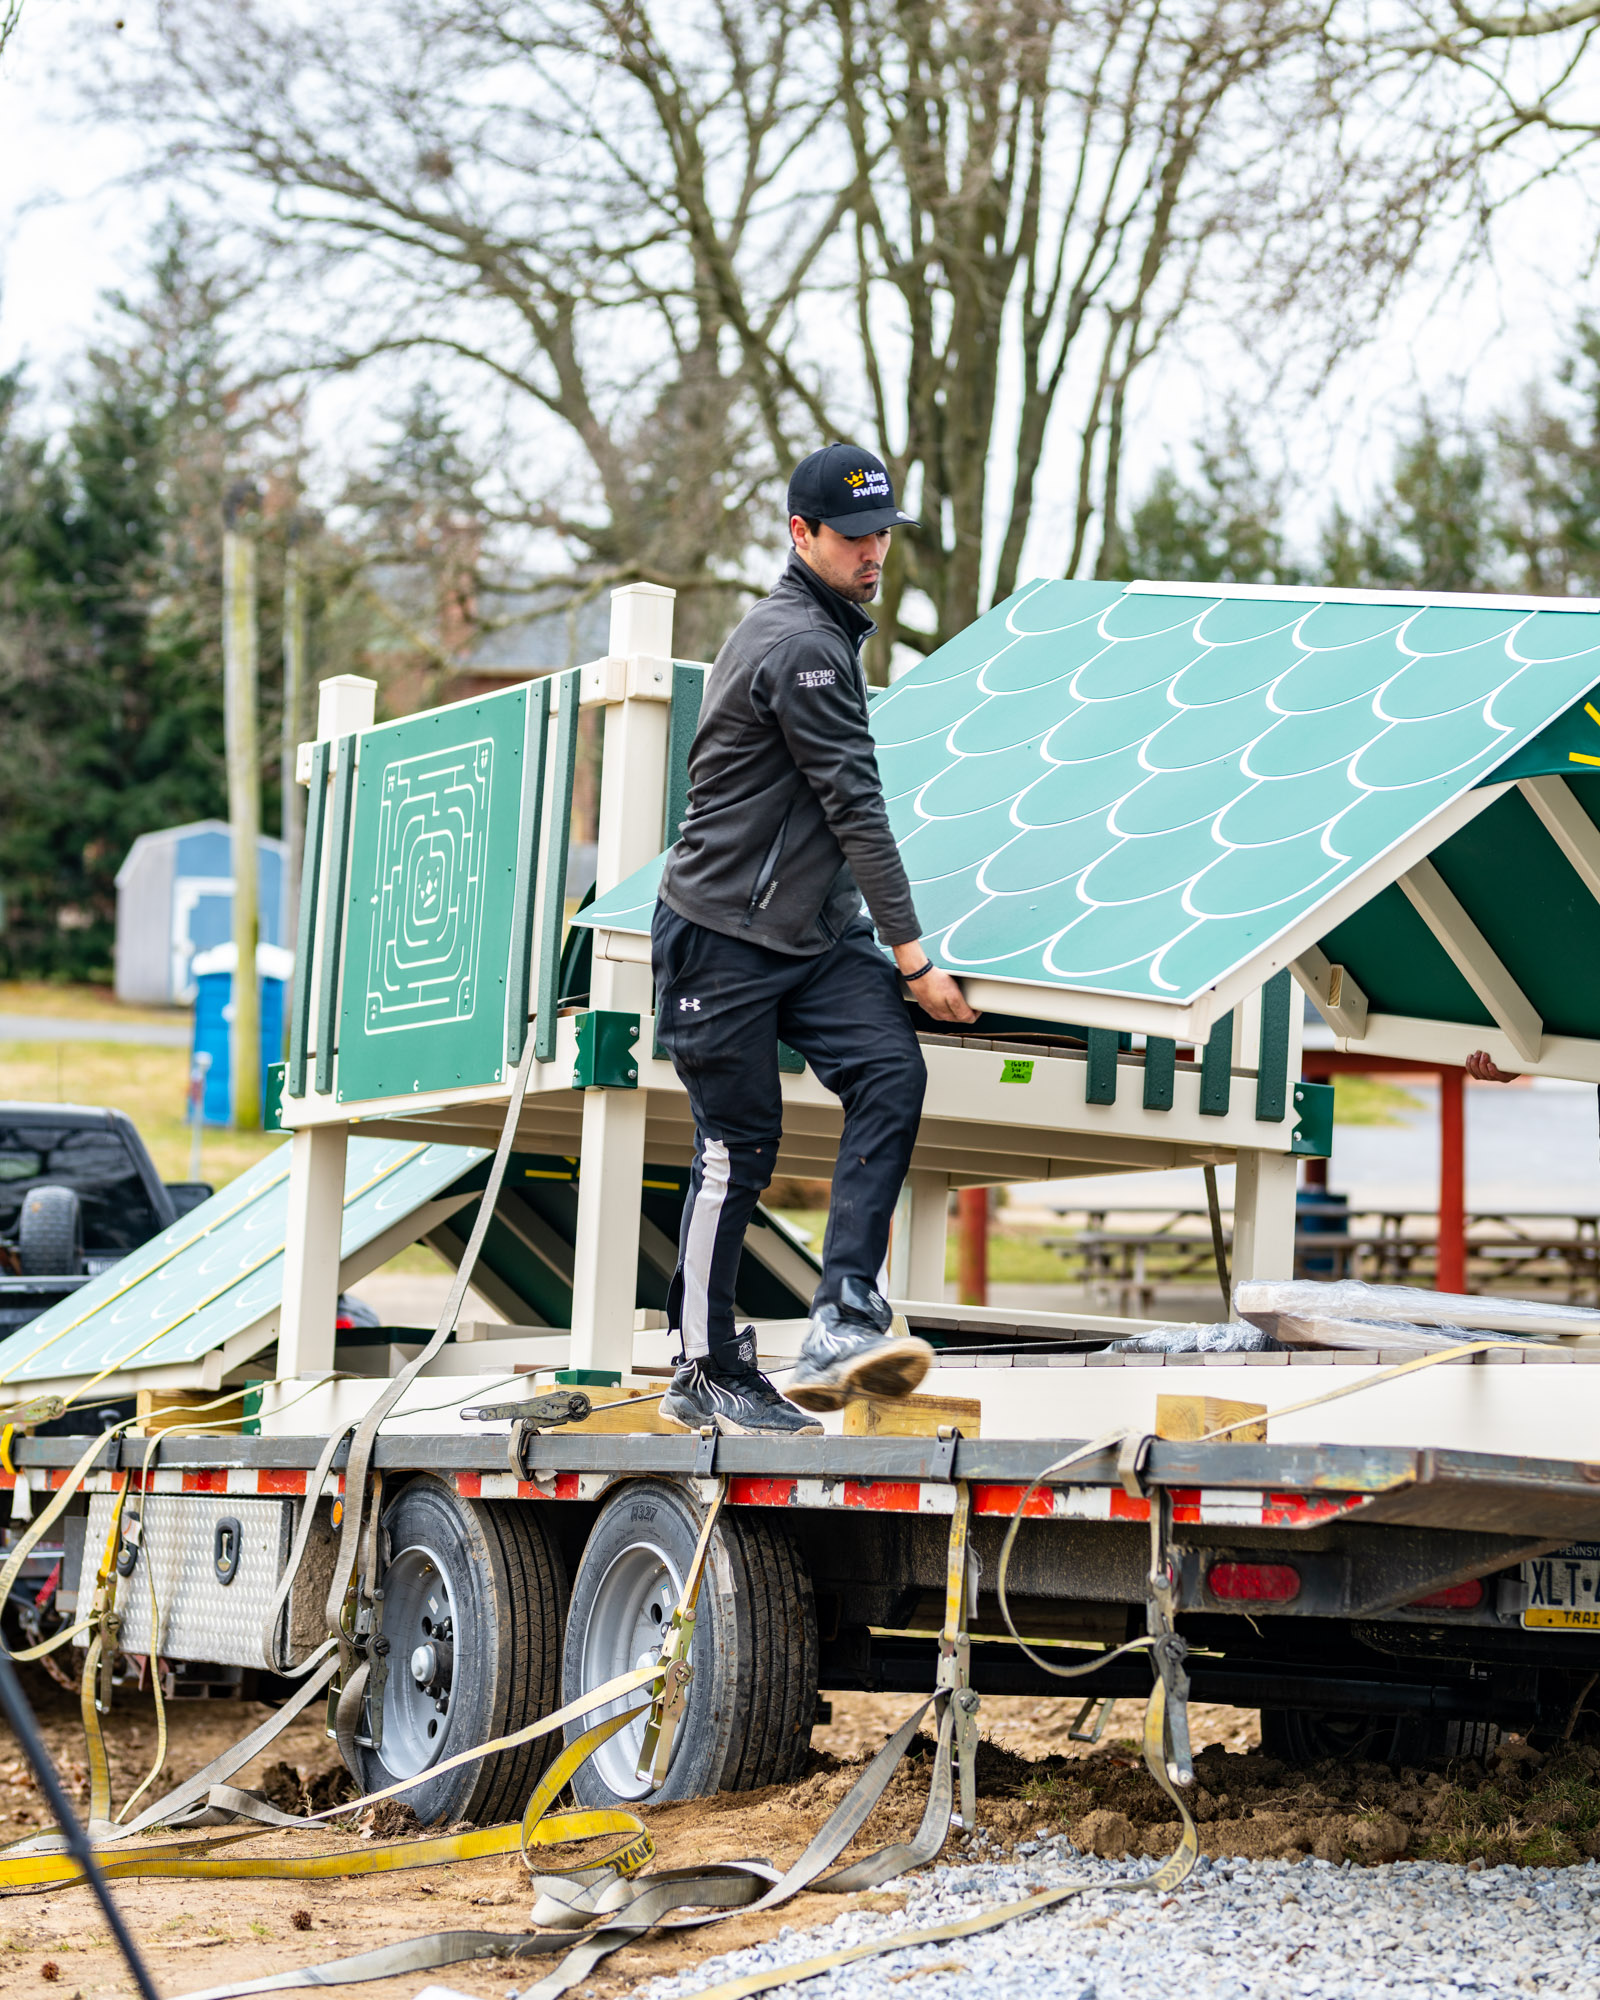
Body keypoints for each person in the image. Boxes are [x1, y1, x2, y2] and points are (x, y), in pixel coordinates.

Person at [653, 443, 979, 1437]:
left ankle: (842, 1309)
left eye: (883, 532)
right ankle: (701, 1365)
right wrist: (913, 955)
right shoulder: (797, 642)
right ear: (801, 535)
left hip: (807, 933)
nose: (875, 550)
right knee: (734, 1149)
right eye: (854, 536)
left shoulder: (827, 632)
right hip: (720, 936)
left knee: (889, 1068)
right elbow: (854, 805)